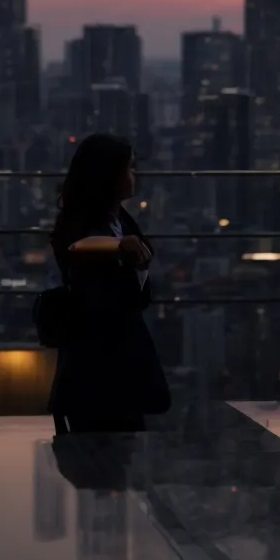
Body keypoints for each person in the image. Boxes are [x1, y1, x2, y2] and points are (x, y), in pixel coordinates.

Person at [46, 133, 171, 434]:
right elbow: (97, 284)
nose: (134, 174)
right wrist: (125, 257)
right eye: (128, 167)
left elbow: (137, 295)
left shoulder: (121, 221)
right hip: (98, 365)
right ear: (108, 176)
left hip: (117, 360)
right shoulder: (83, 228)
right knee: (106, 451)